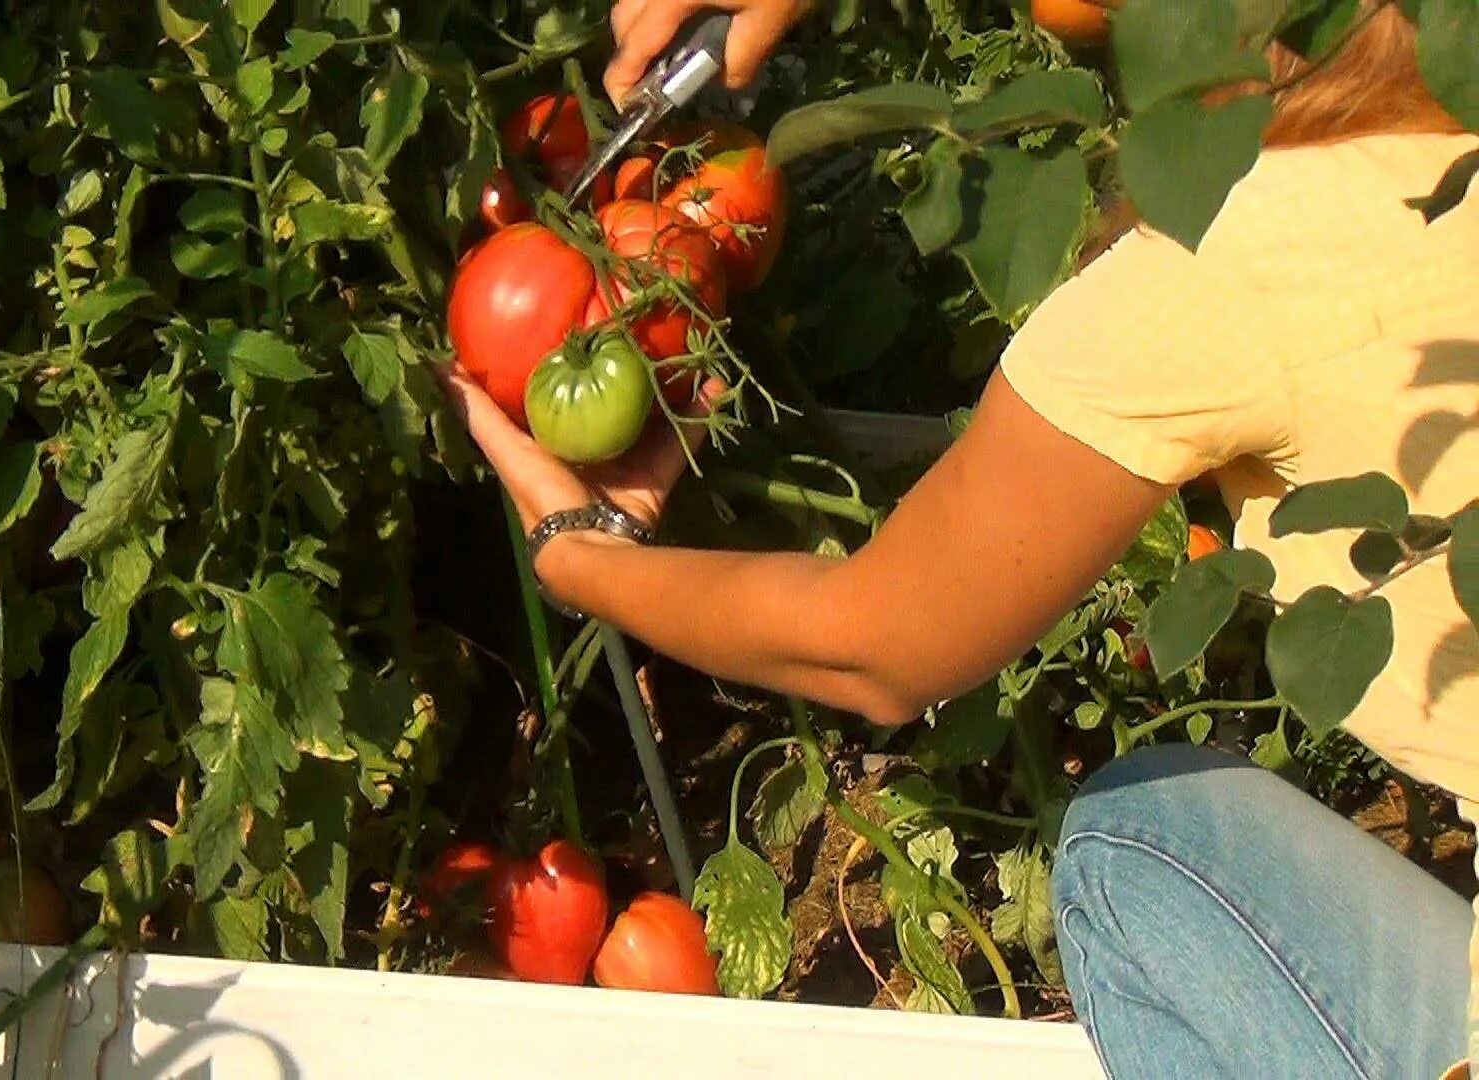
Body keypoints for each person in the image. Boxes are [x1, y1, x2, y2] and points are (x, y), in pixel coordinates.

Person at [444, 1, 1479, 1077]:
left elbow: (874, 647)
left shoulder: (1236, 255)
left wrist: (582, 551)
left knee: (1126, 854)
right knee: (1149, 844)